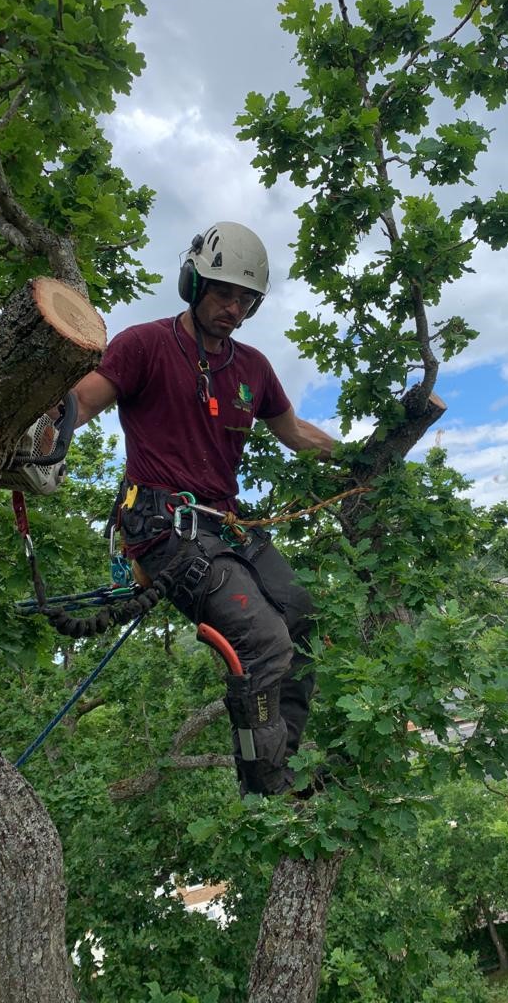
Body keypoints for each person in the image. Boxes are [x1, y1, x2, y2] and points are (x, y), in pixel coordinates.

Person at [72, 221, 335, 796]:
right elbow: (82, 402)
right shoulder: (145, 345)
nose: (233, 309)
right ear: (193, 282)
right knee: (263, 641)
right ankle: (265, 781)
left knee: (303, 618)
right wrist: (42, 429)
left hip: (225, 524)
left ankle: (282, 753)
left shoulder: (253, 368)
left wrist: (355, 459)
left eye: (245, 300)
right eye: (223, 292)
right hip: (162, 527)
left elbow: (292, 431)